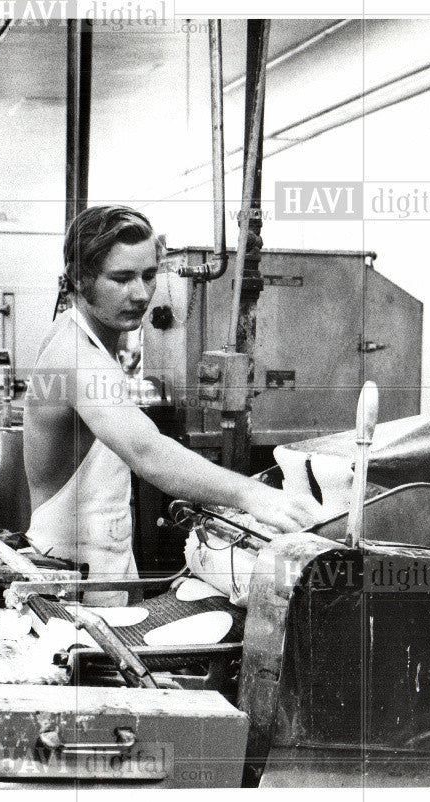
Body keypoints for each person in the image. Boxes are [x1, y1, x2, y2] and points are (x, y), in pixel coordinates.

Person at [23, 205, 323, 605]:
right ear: (79, 278)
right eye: (122, 278)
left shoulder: (89, 342)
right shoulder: (74, 354)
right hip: (67, 578)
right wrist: (255, 496)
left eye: (148, 275)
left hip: (102, 564)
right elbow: (145, 449)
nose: (141, 293)